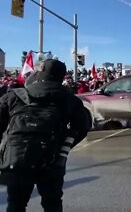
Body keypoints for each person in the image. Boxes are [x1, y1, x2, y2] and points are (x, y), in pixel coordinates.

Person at [0, 59, 90, 212]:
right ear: (61, 77)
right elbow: (83, 127)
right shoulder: (69, 100)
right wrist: (63, 146)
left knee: (16, 204)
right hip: (51, 161)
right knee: (52, 205)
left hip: (17, 160)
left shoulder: (14, 96)